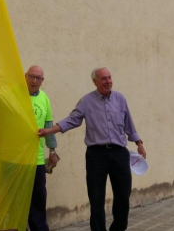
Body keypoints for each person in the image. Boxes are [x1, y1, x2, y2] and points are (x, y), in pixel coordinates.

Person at [38, 67, 146, 231]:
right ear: (95, 82)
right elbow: (71, 120)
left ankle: (118, 228)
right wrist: (49, 131)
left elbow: (128, 124)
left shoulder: (120, 99)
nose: (108, 81)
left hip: (119, 154)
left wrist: (139, 142)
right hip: (97, 155)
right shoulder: (86, 101)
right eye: (103, 79)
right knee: (96, 198)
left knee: (123, 196)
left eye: (109, 78)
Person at [25, 65, 59, 231]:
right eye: (31, 76)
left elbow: (49, 126)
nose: (34, 80)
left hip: (37, 160)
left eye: (38, 78)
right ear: (25, 76)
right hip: (15, 159)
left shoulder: (44, 98)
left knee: (38, 200)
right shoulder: (16, 94)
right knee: (17, 201)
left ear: (42, 81)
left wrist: (52, 152)